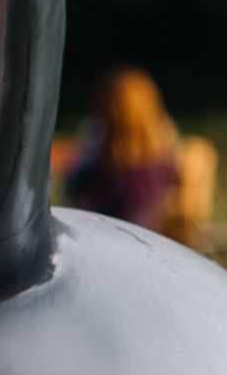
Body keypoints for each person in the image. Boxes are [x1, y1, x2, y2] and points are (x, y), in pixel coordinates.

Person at [59, 67, 216, 249]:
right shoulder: (167, 158)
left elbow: (74, 207)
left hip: (104, 247)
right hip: (155, 249)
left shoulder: (97, 163)